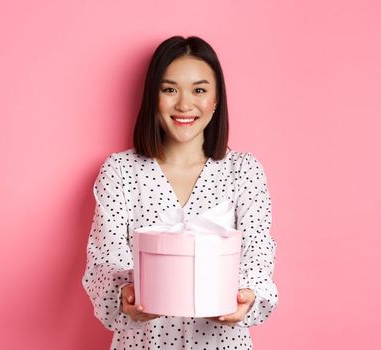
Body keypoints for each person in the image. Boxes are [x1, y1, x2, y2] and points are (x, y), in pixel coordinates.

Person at [82, 35, 278, 349]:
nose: (184, 104)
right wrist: (125, 295)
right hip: (145, 342)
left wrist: (248, 296)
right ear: (153, 97)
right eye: (169, 89)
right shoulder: (121, 170)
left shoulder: (243, 170)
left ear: (216, 100)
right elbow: (106, 260)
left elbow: (258, 254)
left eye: (199, 90)